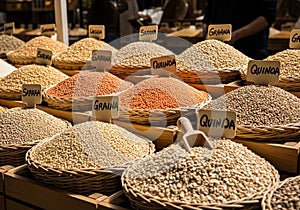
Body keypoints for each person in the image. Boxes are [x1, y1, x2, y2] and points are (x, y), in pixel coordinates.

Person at [205, 0, 277, 59]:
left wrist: (235, 36)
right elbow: (208, 15)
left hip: (251, 51)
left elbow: (267, 17)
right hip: (218, 52)